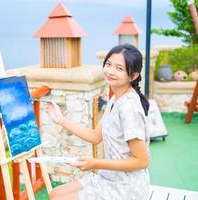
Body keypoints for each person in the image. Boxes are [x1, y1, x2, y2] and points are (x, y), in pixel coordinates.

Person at [45, 44, 150, 200]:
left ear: (133, 76)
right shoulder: (116, 98)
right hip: (108, 178)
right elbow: (95, 136)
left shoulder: (129, 108)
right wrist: (61, 120)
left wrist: (95, 163)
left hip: (125, 188)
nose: (110, 71)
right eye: (108, 64)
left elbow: (142, 161)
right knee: (54, 194)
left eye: (119, 68)